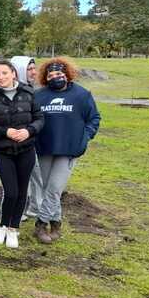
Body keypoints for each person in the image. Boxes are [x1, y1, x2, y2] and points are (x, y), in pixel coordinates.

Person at [0, 60, 44, 249]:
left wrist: (29, 131)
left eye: (4, 73)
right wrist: (3, 132)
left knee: (22, 191)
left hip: (26, 150)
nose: (1, 77)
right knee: (11, 191)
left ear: (13, 74)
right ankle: (2, 225)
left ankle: (13, 229)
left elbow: (39, 118)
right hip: (3, 151)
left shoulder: (28, 93)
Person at [33, 58, 101, 244]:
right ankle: (56, 222)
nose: (56, 77)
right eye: (51, 75)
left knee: (55, 188)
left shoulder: (81, 95)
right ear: (46, 77)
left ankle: (41, 224)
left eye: (59, 73)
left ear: (67, 73)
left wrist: (85, 137)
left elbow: (93, 118)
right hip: (45, 148)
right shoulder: (39, 96)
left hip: (69, 150)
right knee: (48, 188)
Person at [10, 55, 42, 220]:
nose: (33, 72)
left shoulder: (33, 90)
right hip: (17, 143)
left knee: (36, 174)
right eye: (29, 69)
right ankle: (24, 208)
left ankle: (34, 207)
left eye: (34, 68)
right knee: (25, 175)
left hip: (33, 139)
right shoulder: (12, 92)